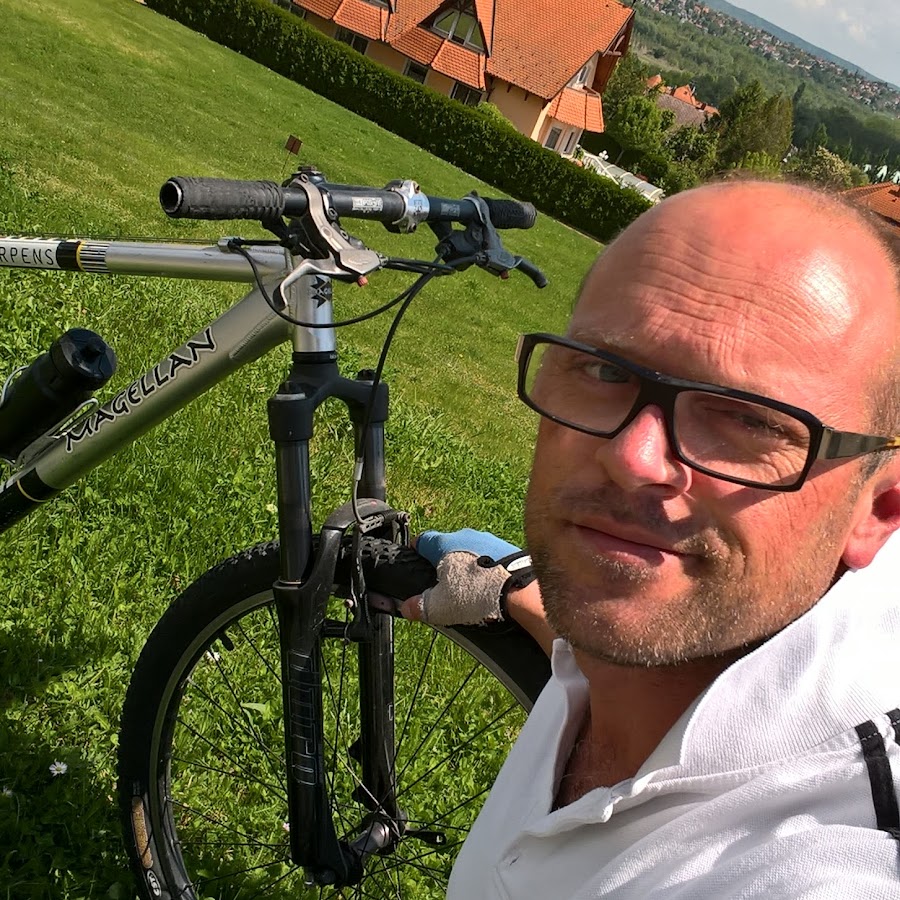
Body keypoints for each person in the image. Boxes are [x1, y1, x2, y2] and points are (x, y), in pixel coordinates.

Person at [403, 179, 900, 898]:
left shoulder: (828, 866)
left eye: (749, 419)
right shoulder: (652, 645)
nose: (632, 458)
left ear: (879, 508)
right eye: (604, 369)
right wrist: (522, 591)